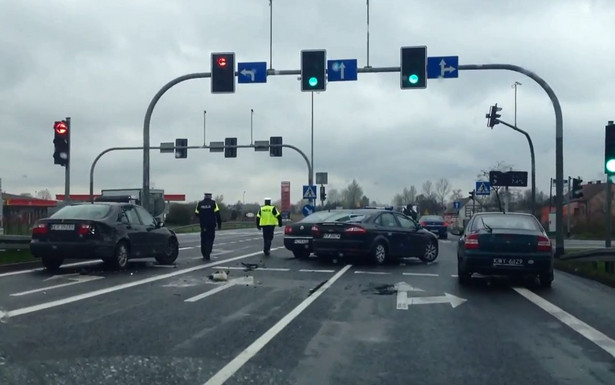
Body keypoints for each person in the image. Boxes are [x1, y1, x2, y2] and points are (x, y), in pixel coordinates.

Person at [194, 192, 222, 260]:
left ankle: (204, 254)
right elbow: (217, 214)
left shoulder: (200, 203)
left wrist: (202, 217)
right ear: (210, 196)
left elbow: (196, 213)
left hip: (203, 225)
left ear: (204, 196)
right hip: (211, 225)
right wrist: (219, 224)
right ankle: (208, 254)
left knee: (203, 240)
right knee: (210, 239)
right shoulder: (213, 203)